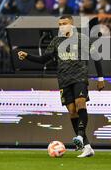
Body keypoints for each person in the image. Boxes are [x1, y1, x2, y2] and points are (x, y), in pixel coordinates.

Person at [17, 15, 104, 158]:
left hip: (79, 77)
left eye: (64, 23)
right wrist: (27, 56)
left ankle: (80, 137)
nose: (62, 26)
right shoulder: (56, 41)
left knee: (80, 103)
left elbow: (96, 57)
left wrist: (100, 79)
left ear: (72, 24)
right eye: (60, 24)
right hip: (64, 79)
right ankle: (87, 147)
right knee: (72, 112)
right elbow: (44, 59)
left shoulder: (82, 39)